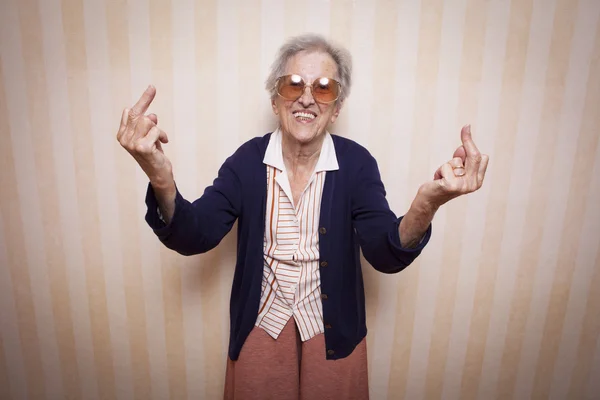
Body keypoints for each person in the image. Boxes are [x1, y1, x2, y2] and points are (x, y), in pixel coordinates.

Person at [116, 33, 489, 400]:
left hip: (335, 327)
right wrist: (160, 177)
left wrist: (427, 203)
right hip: (261, 323)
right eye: (293, 85)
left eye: (324, 88)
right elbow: (195, 234)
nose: (307, 98)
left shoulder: (357, 164)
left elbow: (384, 253)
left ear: (336, 107)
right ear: (276, 100)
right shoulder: (247, 161)